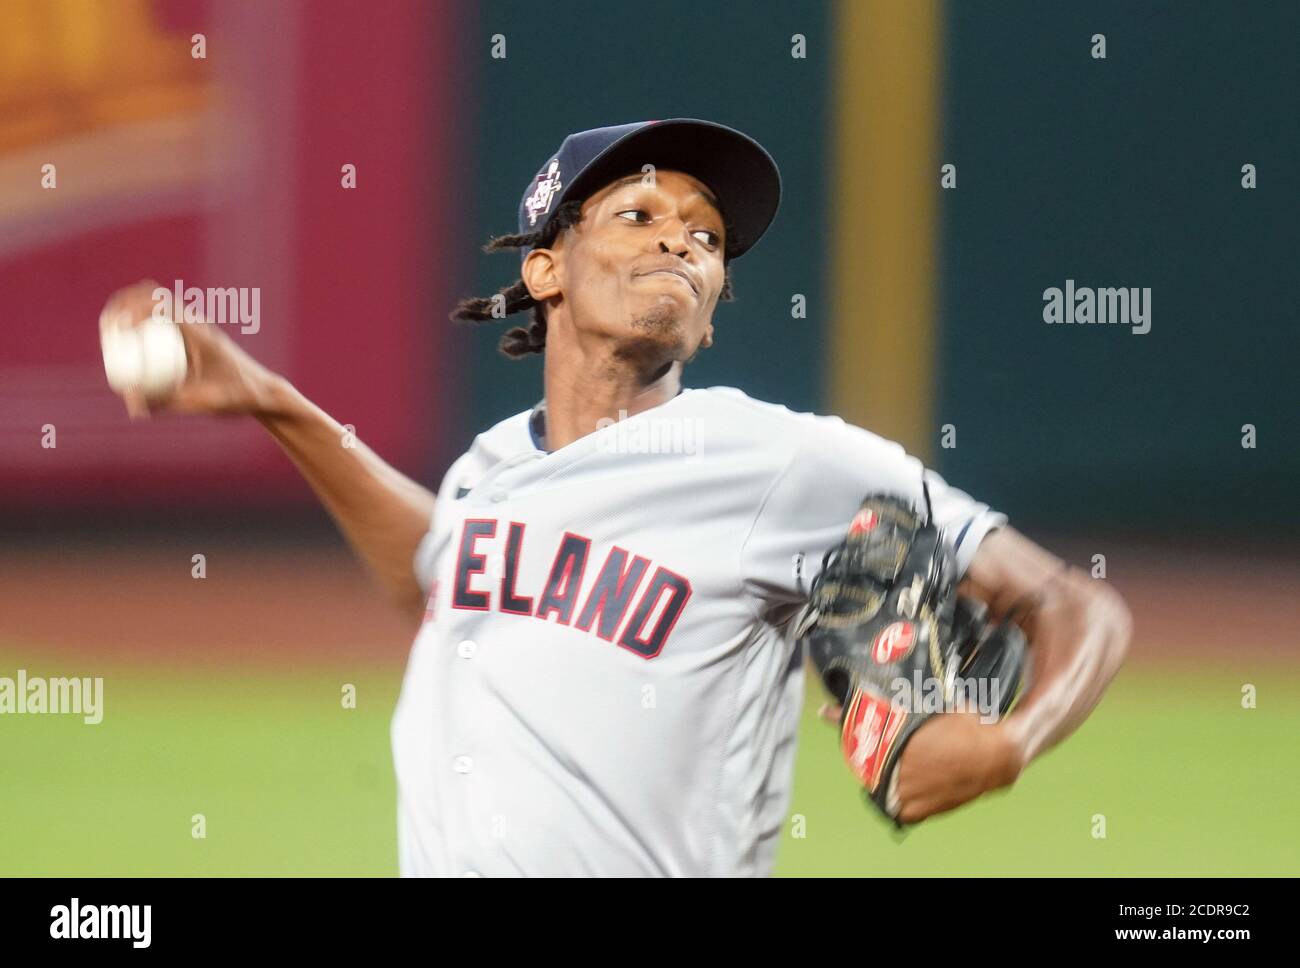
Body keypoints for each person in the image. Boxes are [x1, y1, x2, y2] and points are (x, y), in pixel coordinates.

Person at [100, 119, 1131, 877]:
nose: (681, 241)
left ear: (714, 315)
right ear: (547, 270)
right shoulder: (491, 465)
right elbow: (441, 571)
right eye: (638, 214)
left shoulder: (784, 461)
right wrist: (272, 402)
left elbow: (1073, 602)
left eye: (707, 238)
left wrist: (1008, 741)